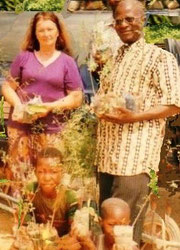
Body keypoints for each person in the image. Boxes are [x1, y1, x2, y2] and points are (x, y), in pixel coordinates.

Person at [94, 0, 180, 245]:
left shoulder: (159, 58)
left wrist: (134, 117)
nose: (123, 24)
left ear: (143, 19)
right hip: (107, 154)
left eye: (130, 19)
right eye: (119, 20)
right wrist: (100, 107)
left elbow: (175, 102)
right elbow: (105, 98)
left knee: (125, 229)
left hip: (133, 158)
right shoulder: (114, 59)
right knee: (108, 224)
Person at [1, 12, 83, 182]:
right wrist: (18, 105)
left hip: (52, 129)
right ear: (35, 34)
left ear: (58, 32)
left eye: (50, 29)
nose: (46, 34)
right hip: (21, 128)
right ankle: (21, 208)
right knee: (20, 175)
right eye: (41, 30)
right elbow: (8, 86)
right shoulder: (24, 58)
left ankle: (46, 209)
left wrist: (49, 107)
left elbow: (76, 97)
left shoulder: (66, 62)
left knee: (49, 177)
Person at [32, 147, 78, 237]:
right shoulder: (31, 191)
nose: (47, 178)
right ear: (35, 173)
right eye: (41, 172)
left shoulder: (70, 197)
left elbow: (74, 230)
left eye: (53, 172)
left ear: (62, 172)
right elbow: (23, 224)